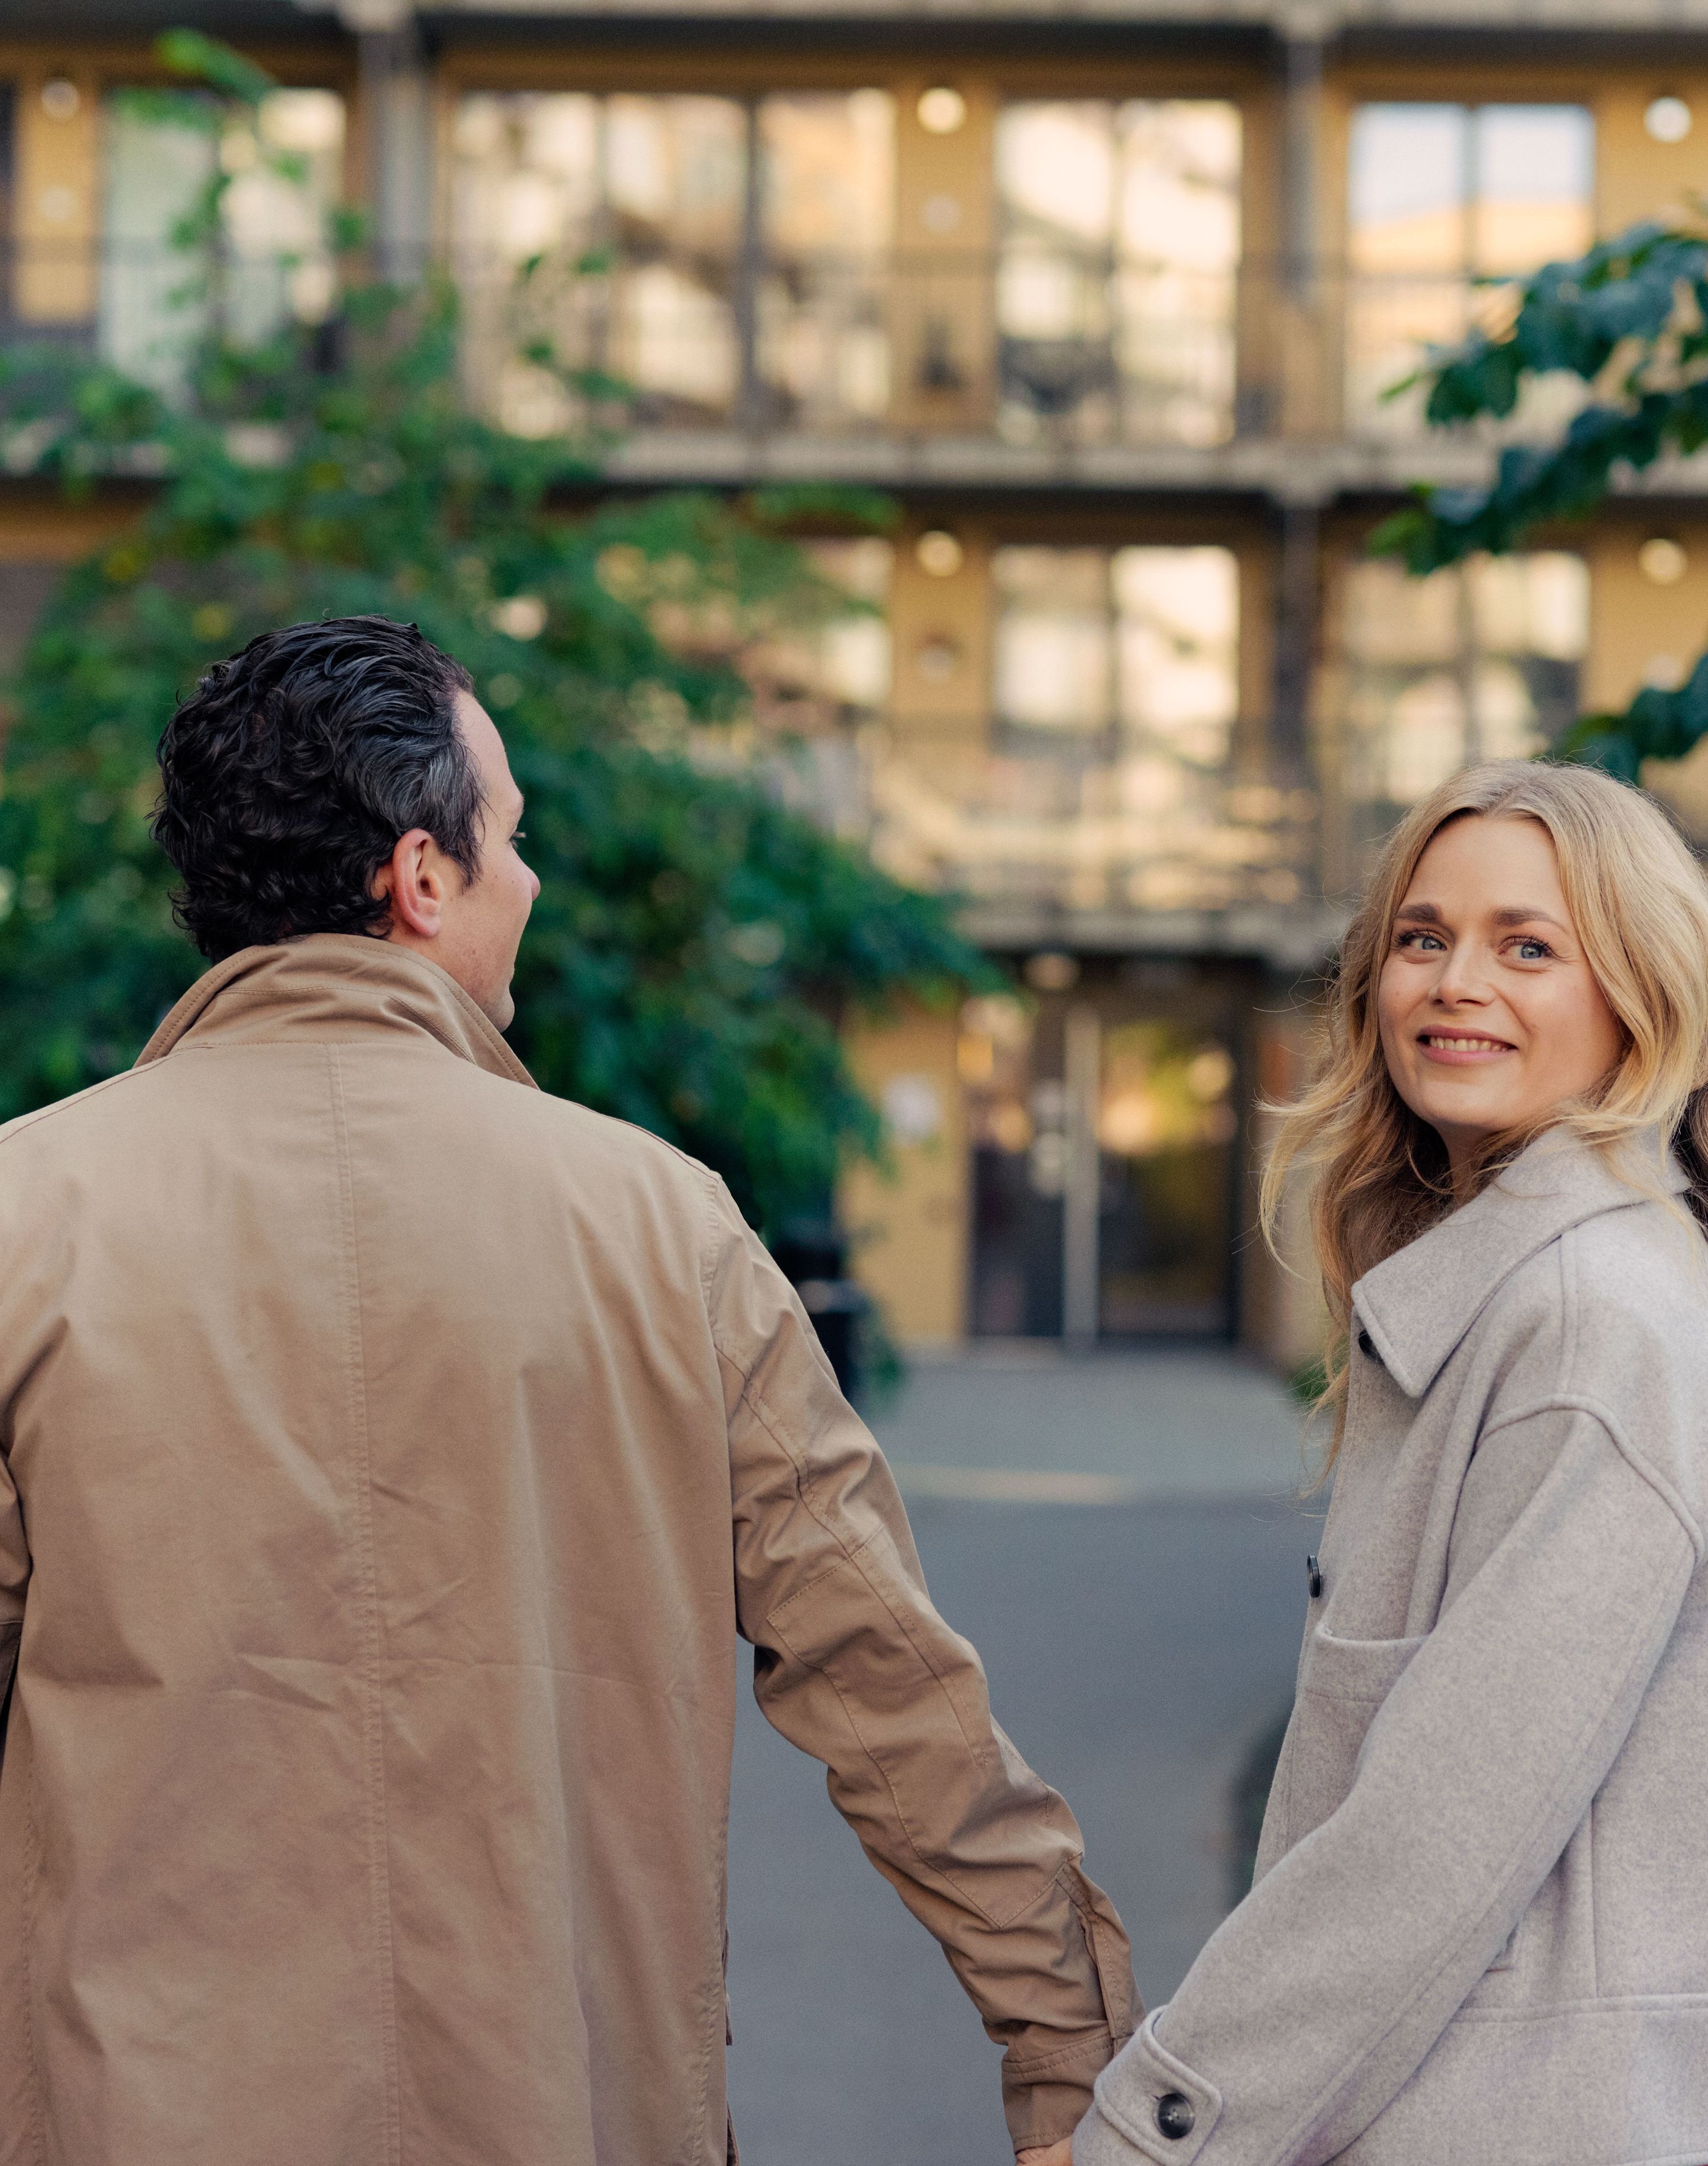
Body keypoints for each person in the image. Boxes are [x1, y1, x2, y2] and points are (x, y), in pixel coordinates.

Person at [0, 617, 1136, 2166]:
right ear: (421, 876)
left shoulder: (28, 1216)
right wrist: (1072, 2050)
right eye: (514, 838)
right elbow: (891, 1687)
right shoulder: (666, 1226)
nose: (530, 884)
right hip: (568, 2109)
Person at [1065, 759, 1708, 2166]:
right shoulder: (1540, 1276)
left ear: (1637, 999)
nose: (1456, 982)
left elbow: (1443, 1831)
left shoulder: (1588, 1320)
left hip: (1596, 2118)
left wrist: (1162, 2128)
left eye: (1528, 947)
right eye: (1424, 937)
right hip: (1595, 2097)